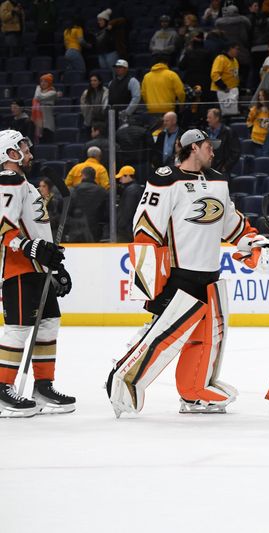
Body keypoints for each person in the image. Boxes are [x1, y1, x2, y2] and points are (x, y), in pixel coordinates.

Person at [107, 129, 269, 416]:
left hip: (210, 274)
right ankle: (122, 380)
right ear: (194, 147)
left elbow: (231, 225)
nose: (213, 151)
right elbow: (146, 229)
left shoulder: (218, 181)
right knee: (163, 338)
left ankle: (194, 391)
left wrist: (255, 242)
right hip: (179, 274)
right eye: (209, 146)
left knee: (206, 338)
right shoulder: (166, 179)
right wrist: (151, 285)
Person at [0, 130, 74, 417]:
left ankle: (43, 386)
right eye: (22, 148)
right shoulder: (9, 180)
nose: (28, 152)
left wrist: (56, 265)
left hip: (38, 270)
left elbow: (41, 235)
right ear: (9, 153)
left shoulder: (27, 186)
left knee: (49, 324)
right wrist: (30, 248)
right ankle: (3, 388)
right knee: (18, 329)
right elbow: (3, 227)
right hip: (18, 269)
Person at [214, 4, 252, 84]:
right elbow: (244, 38)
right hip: (241, 51)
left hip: (226, 53)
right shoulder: (242, 22)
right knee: (242, 72)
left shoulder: (220, 24)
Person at [71, 167, 108, 242]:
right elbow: (106, 212)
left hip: (76, 227)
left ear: (83, 175)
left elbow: (68, 210)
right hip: (95, 227)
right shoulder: (101, 191)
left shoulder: (74, 190)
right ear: (94, 176)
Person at [246, 89, 269, 158]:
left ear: (268, 97)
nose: (260, 97)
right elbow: (249, 122)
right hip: (256, 141)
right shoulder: (254, 109)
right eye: (259, 95)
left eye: (263, 95)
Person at [206, 107, 241, 176]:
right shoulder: (207, 132)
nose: (207, 120)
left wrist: (225, 167)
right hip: (209, 169)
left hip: (222, 170)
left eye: (209, 118)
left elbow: (235, 152)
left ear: (217, 118)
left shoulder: (229, 132)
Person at [115, 165, 144, 242]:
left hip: (126, 231)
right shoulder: (135, 188)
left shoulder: (131, 191)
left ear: (128, 176)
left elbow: (127, 211)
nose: (120, 180)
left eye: (121, 177)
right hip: (130, 228)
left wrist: (120, 226)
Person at [211, 42, 241, 117]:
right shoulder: (220, 59)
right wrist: (223, 87)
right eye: (236, 49)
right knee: (220, 116)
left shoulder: (235, 60)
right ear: (230, 49)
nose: (238, 51)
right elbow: (214, 74)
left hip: (232, 93)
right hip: (221, 91)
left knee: (232, 114)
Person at [32, 73, 59, 144]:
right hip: (38, 123)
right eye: (41, 81)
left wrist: (37, 88)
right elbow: (37, 97)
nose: (43, 83)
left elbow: (39, 97)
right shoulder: (40, 92)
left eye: (45, 81)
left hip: (47, 123)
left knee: (47, 141)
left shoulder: (52, 92)